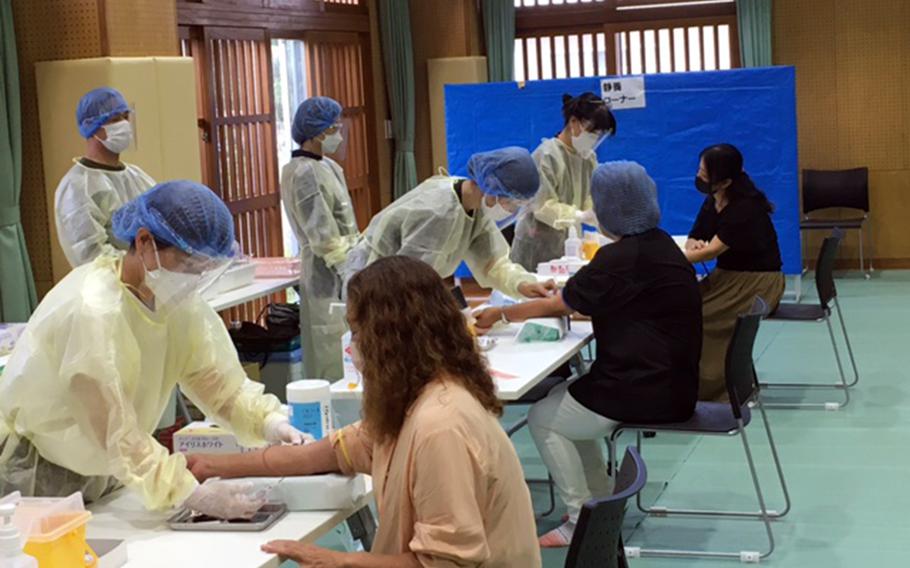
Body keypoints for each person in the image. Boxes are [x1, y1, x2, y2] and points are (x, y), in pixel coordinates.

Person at [186, 256, 542, 568]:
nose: (353, 346)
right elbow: (329, 452)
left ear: (387, 339)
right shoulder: (418, 400)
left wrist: (338, 561)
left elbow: (444, 563)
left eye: (356, 331)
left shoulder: (439, 426)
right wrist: (215, 467)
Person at [0, 181, 306, 519]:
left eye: (204, 269)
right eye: (189, 265)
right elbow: (114, 430)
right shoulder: (92, 309)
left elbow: (218, 386)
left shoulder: (175, 305)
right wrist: (190, 492)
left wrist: (270, 422)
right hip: (37, 477)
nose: (194, 279)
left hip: (108, 470)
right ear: (144, 241)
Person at [475, 161, 702, 547]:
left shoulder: (620, 258)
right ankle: (602, 500)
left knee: (544, 417)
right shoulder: (659, 244)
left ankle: (579, 519)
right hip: (672, 381)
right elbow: (592, 300)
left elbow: (563, 302)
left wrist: (502, 312)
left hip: (646, 387)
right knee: (559, 400)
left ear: (610, 207)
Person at [343, 146, 556, 300]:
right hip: (372, 288)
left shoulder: (475, 209)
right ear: (492, 189)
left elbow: (493, 263)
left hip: (398, 290)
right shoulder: (437, 212)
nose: (513, 209)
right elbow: (407, 282)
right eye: (512, 201)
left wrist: (523, 284)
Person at [684, 143, 784, 401]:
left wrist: (676, 257)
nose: (700, 178)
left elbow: (710, 252)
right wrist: (692, 243)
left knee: (702, 316)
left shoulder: (744, 208)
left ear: (725, 180)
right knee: (681, 305)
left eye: (705, 175)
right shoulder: (713, 200)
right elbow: (696, 237)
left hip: (757, 283)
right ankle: (686, 378)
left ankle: (716, 388)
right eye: (699, 171)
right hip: (727, 277)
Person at [281, 96, 360, 380]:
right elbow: (323, 236)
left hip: (343, 269)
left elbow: (343, 224)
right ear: (317, 132)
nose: (338, 133)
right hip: (326, 277)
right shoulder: (304, 173)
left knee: (349, 350)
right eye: (334, 127)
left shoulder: (326, 167)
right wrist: (350, 270)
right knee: (332, 357)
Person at [510, 92, 616, 271]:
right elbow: (541, 206)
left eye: (599, 135)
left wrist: (598, 215)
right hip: (536, 246)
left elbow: (590, 195)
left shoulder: (587, 158)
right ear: (574, 122)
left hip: (568, 243)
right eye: (593, 133)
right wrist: (579, 216)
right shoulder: (547, 155)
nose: (595, 140)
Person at [55, 87, 156, 267]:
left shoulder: (137, 176)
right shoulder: (78, 187)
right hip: (109, 288)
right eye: (115, 119)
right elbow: (91, 257)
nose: (124, 125)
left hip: (149, 281)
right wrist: (138, 268)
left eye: (126, 117)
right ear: (91, 126)